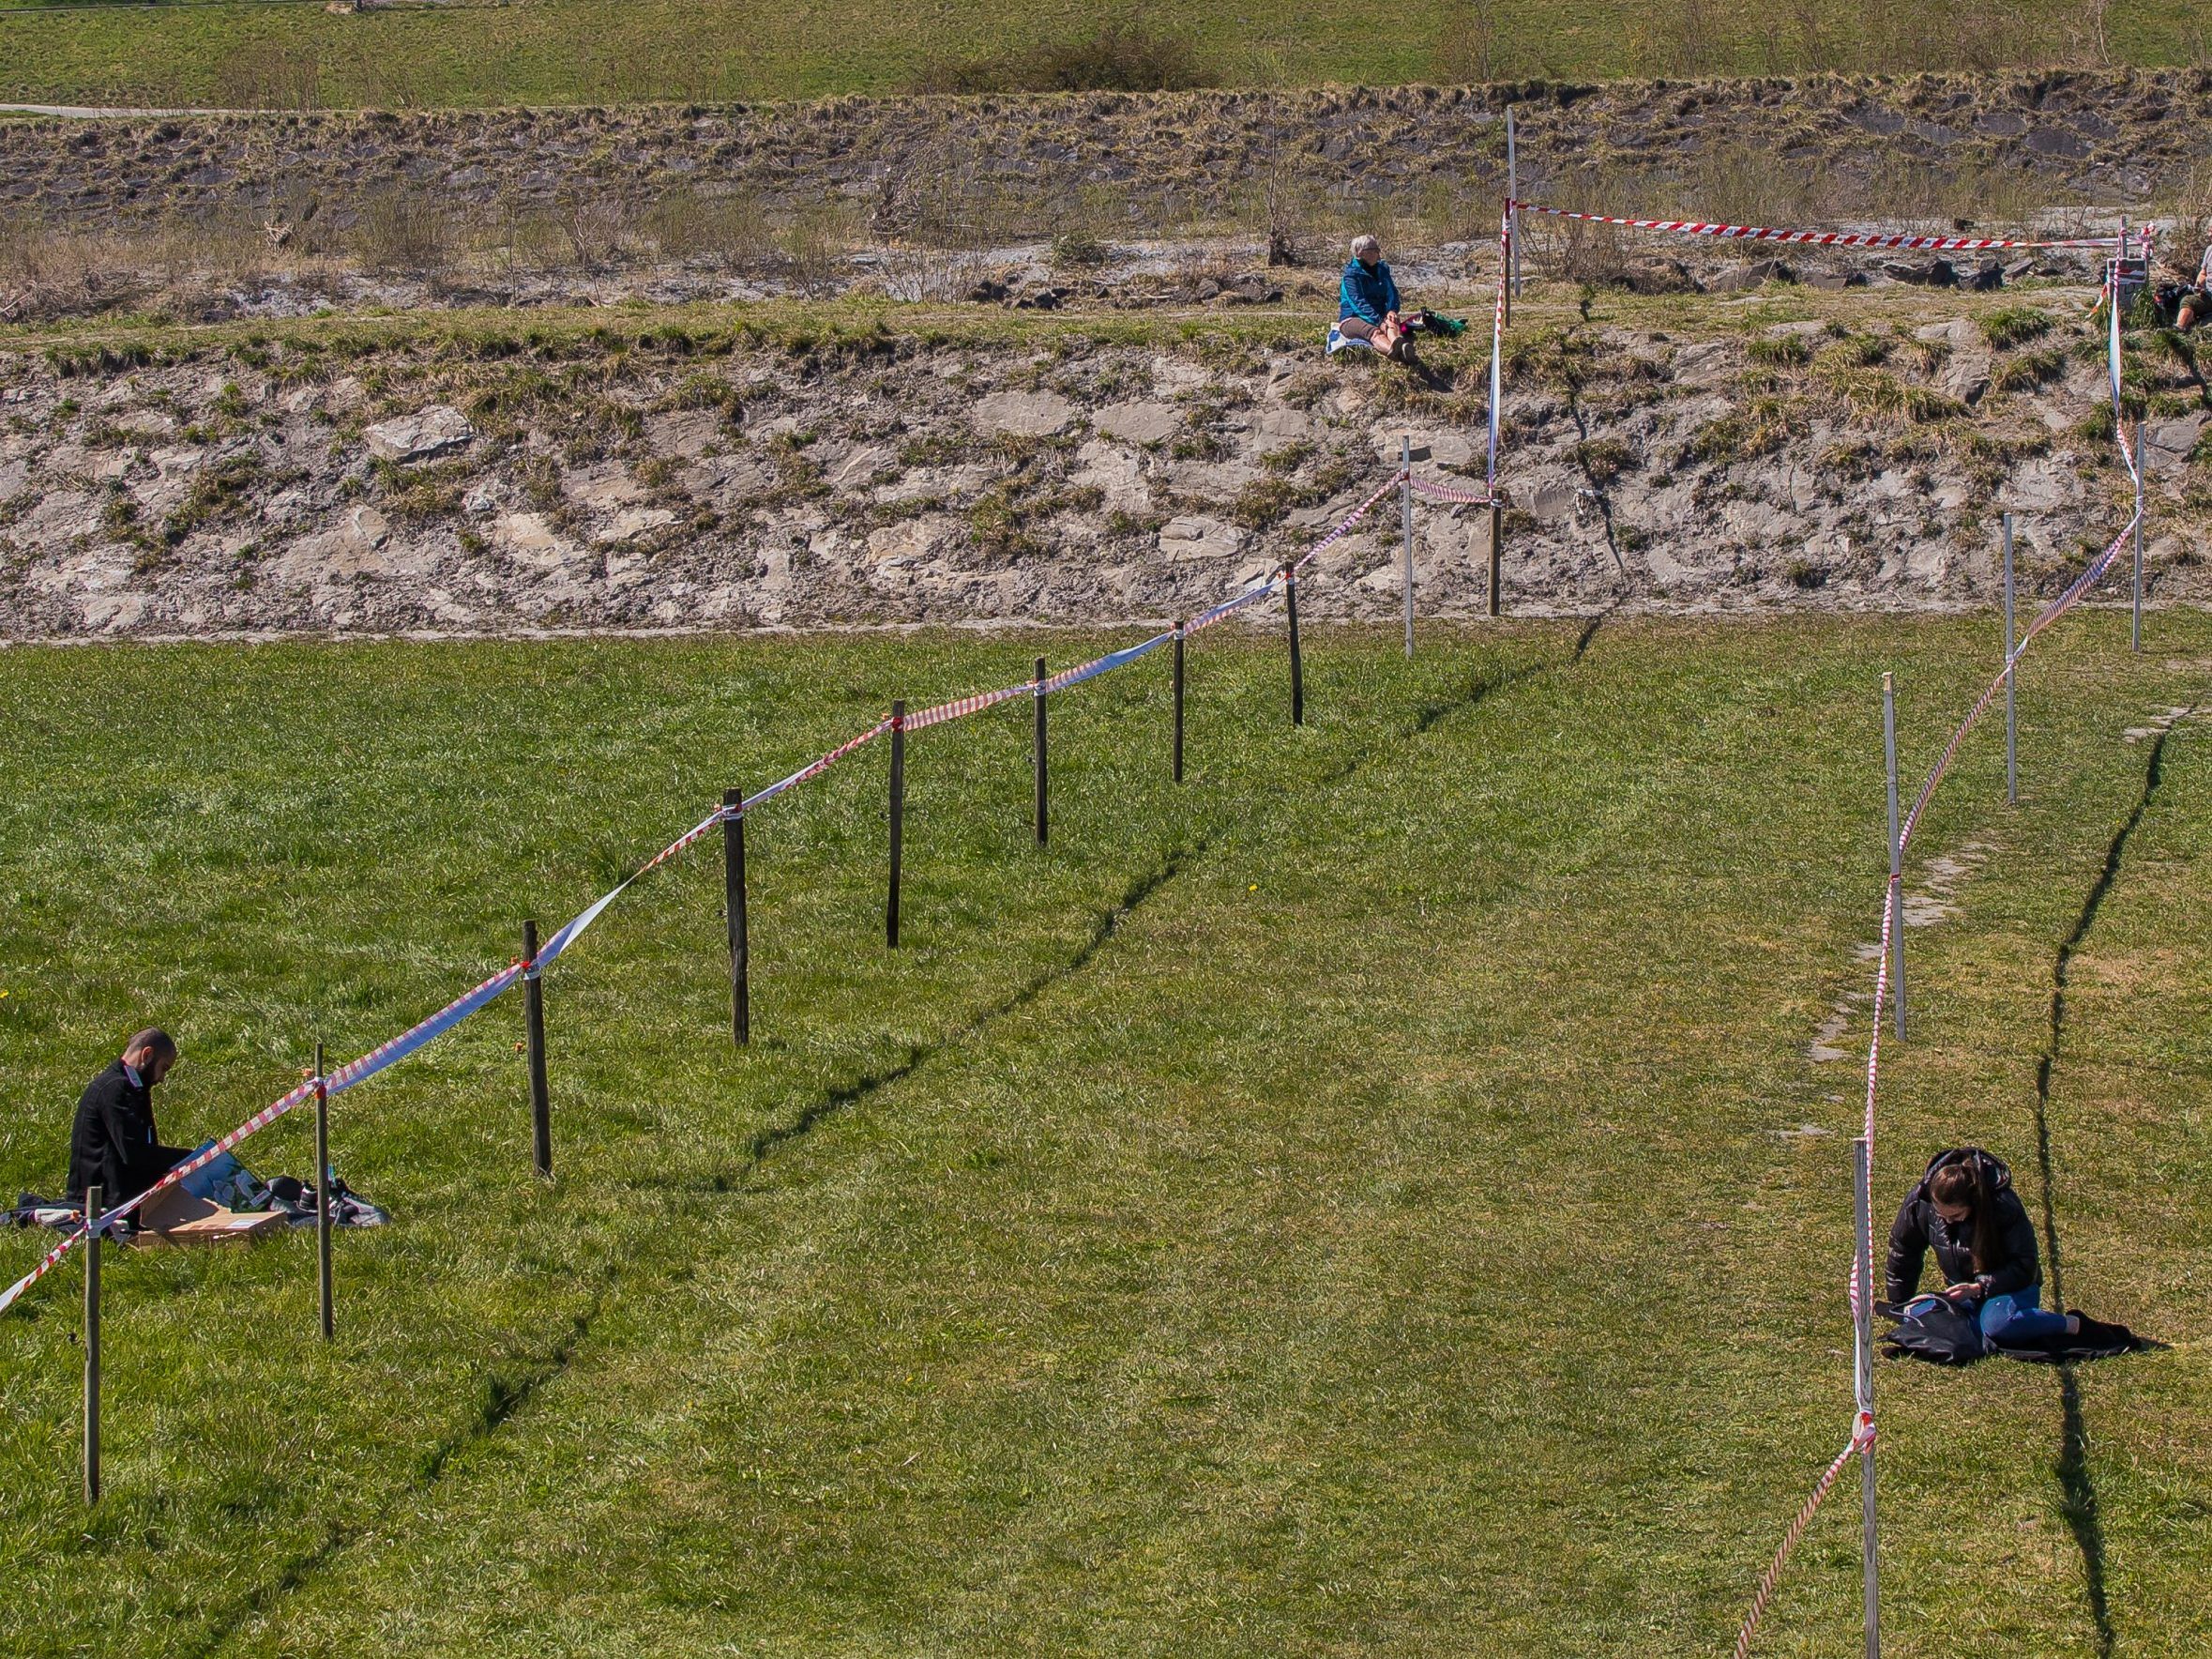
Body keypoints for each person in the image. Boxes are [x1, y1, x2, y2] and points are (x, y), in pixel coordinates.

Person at [1885, 1146, 2082, 1345]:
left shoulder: (2004, 1206)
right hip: (1964, 1295)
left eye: (1956, 1216)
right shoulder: (1920, 1200)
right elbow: (1903, 1249)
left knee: (1998, 1326)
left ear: (1973, 1203)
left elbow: (2025, 1267)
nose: (1947, 1221)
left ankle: (2068, 1324)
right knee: (1920, 1313)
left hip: (2011, 1289)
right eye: (1940, 1214)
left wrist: (1979, 1287)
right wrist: (1899, 1303)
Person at [66, 1028, 189, 1214]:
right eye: (163, 1068)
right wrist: (191, 1158)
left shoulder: (132, 1088)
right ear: (147, 1055)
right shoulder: (114, 1089)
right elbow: (134, 1153)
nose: (162, 1079)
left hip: (117, 1196)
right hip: (101, 1203)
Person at [1335, 235, 1464, 362]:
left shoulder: (1382, 269)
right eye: (1374, 250)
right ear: (1361, 252)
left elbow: (1392, 292)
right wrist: (1378, 322)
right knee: (1374, 332)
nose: (1378, 254)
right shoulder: (1350, 277)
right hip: (1353, 318)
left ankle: (1400, 345)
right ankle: (1396, 353)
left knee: (1392, 323)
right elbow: (1358, 304)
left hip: (1380, 314)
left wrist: (1391, 310)